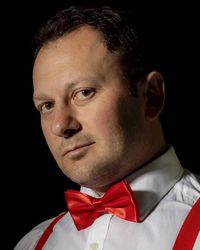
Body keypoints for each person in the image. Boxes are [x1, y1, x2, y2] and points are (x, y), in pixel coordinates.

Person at [14, 5, 200, 250]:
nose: (60, 125)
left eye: (83, 93)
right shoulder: (33, 244)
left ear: (151, 97)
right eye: (47, 105)